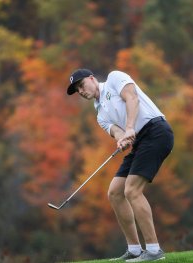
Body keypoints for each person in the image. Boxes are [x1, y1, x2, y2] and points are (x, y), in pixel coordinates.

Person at [67, 69, 174, 262]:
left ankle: (153, 250)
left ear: (92, 79)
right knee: (115, 193)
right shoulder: (99, 113)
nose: (81, 91)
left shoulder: (114, 79)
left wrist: (130, 127)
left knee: (132, 191)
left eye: (81, 85)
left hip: (156, 132)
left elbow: (132, 98)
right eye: (77, 90)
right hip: (140, 142)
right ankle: (134, 250)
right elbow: (116, 131)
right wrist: (121, 139)